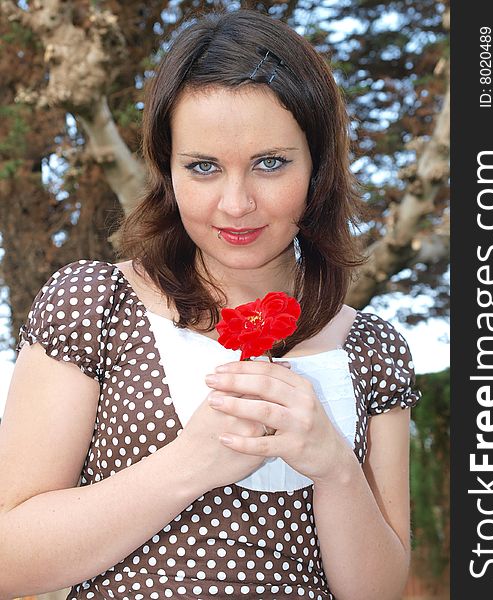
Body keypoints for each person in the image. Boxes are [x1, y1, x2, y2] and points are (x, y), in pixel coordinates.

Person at [0, 8, 421, 600]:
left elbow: (377, 592)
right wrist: (191, 464)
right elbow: (8, 559)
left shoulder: (371, 352)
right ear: (167, 174)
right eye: (202, 167)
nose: (235, 204)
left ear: (318, 166)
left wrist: (334, 466)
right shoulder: (94, 307)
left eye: (270, 163)